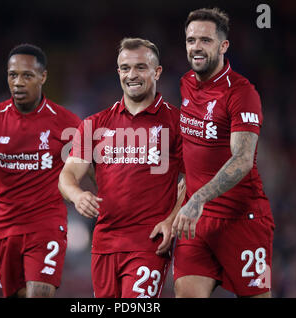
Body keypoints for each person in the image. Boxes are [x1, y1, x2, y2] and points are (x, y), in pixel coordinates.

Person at [58, 38, 185, 298]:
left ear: (157, 72)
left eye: (140, 67)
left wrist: (171, 221)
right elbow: (67, 175)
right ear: (118, 73)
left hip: (149, 243)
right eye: (125, 68)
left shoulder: (177, 123)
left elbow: (196, 178)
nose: (132, 75)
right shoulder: (94, 125)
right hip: (104, 245)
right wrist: (77, 195)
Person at [0, 43, 81, 298]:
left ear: (43, 77)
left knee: (40, 293)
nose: (18, 82)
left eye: (27, 75)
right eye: (13, 75)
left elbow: (93, 170)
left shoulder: (66, 122)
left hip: (47, 223)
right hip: (5, 227)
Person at [171, 7, 275, 298]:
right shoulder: (186, 84)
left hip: (242, 219)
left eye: (205, 40)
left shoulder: (242, 94)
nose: (196, 47)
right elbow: (194, 150)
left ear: (223, 45)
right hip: (197, 222)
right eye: (191, 40)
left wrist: (199, 197)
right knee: (186, 293)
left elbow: (242, 159)